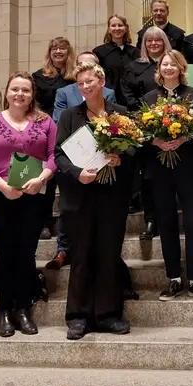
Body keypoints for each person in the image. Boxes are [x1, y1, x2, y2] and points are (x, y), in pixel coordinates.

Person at [0, 71, 57, 338]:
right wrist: (2, 186)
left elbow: (55, 154)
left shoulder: (45, 122)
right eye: (15, 89)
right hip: (2, 195)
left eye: (26, 90)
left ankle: (23, 308)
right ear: (6, 93)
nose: (20, 94)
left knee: (26, 252)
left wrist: (42, 177)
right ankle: (5, 311)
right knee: (6, 253)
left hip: (35, 195)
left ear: (33, 95)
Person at [54, 62, 134, 338]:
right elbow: (59, 156)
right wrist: (78, 174)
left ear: (101, 81)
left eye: (90, 81)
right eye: (80, 84)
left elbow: (134, 149)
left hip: (112, 197)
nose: (85, 87)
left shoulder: (120, 114)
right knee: (81, 255)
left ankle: (109, 315)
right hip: (81, 196)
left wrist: (121, 157)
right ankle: (78, 317)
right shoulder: (68, 116)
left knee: (109, 255)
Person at [142, 50, 193, 302]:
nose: (168, 67)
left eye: (173, 63)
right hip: (159, 168)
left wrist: (184, 137)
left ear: (181, 68)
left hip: (188, 166)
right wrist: (157, 141)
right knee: (167, 222)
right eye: (164, 64)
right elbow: (140, 133)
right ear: (159, 69)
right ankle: (173, 278)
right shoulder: (149, 98)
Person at [46, 51, 117, 271]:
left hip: (104, 171)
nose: (85, 85)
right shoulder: (64, 94)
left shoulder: (111, 95)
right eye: (81, 81)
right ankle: (64, 250)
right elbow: (59, 122)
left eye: (90, 69)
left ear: (100, 76)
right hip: (75, 166)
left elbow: (115, 125)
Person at [121, 26, 173, 239]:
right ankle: (151, 220)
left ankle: (169, 218)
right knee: (149, 178)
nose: (153, 44)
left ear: (164, 42)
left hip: (174, 126)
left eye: (158, 41)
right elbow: (127, 94)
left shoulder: (172, 63)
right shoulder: (133, 67)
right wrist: (147, 116)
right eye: (149, 41)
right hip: (145, 128)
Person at [32, 37, 75, 240]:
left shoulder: (75, 77)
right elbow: (33, 105)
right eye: (54, 48)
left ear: (68, 52)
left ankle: (66, 224)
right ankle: (43, 222)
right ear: (49, 52)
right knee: (46, 183)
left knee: (66, 181)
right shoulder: (38, 77)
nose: (58, 51)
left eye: (62, 48)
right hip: (45, 133)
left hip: (71, 135)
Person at [94, 14, 139, 103]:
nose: (117, 28)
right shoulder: (99, 52)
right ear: (109, 29)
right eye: (113, 25)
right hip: (108, 99)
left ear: (125, 28)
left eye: (120, 25)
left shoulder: (136, 52)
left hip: (132, 99)